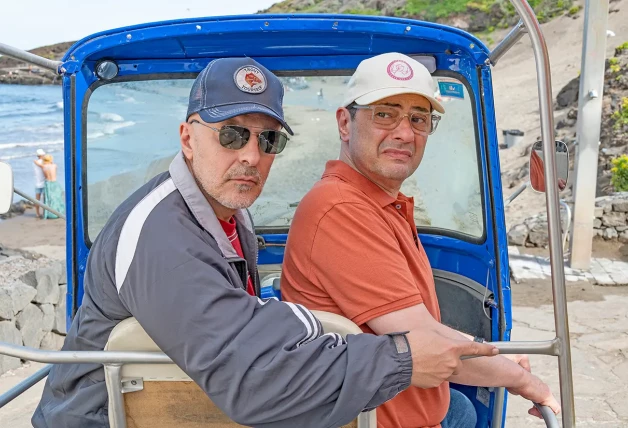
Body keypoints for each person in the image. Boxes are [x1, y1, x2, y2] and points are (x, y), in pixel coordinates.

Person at [32, 57, 498, 428]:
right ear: (187, 139)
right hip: (102, 417)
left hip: (193, 405)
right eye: (232, 135)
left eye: (268, 140)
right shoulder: (162, 235)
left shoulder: (229, 216)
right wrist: (401, 359)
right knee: (456, 413)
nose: (251, 156)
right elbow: (253, 378)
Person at [280, 53, 561, 428]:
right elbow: (424, 339)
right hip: (380, 421)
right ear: (344, 123)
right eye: (385, 113)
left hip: (423, 407)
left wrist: (495, 355)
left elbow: (419, 326)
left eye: (418, 118)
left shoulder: (380, 203)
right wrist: (526, 382)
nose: (404, 132)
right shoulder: (340, 208)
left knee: (460, 410)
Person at [39, 154, 65, 219]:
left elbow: (36, 163)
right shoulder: (54, 166)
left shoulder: (43, 166)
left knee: (48, 199)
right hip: (54, 183)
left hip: (48, 183)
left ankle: (48, 213)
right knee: (56, 198)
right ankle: (57, 213)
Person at [33, 148, 46, 219]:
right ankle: (45, 213)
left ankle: (37, 213)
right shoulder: (43, 162)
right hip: (44, 183)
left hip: (37, 183)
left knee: (37, 199)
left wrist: (35, 162)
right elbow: (44, 167)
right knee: (45, 199)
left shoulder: (35, 162)